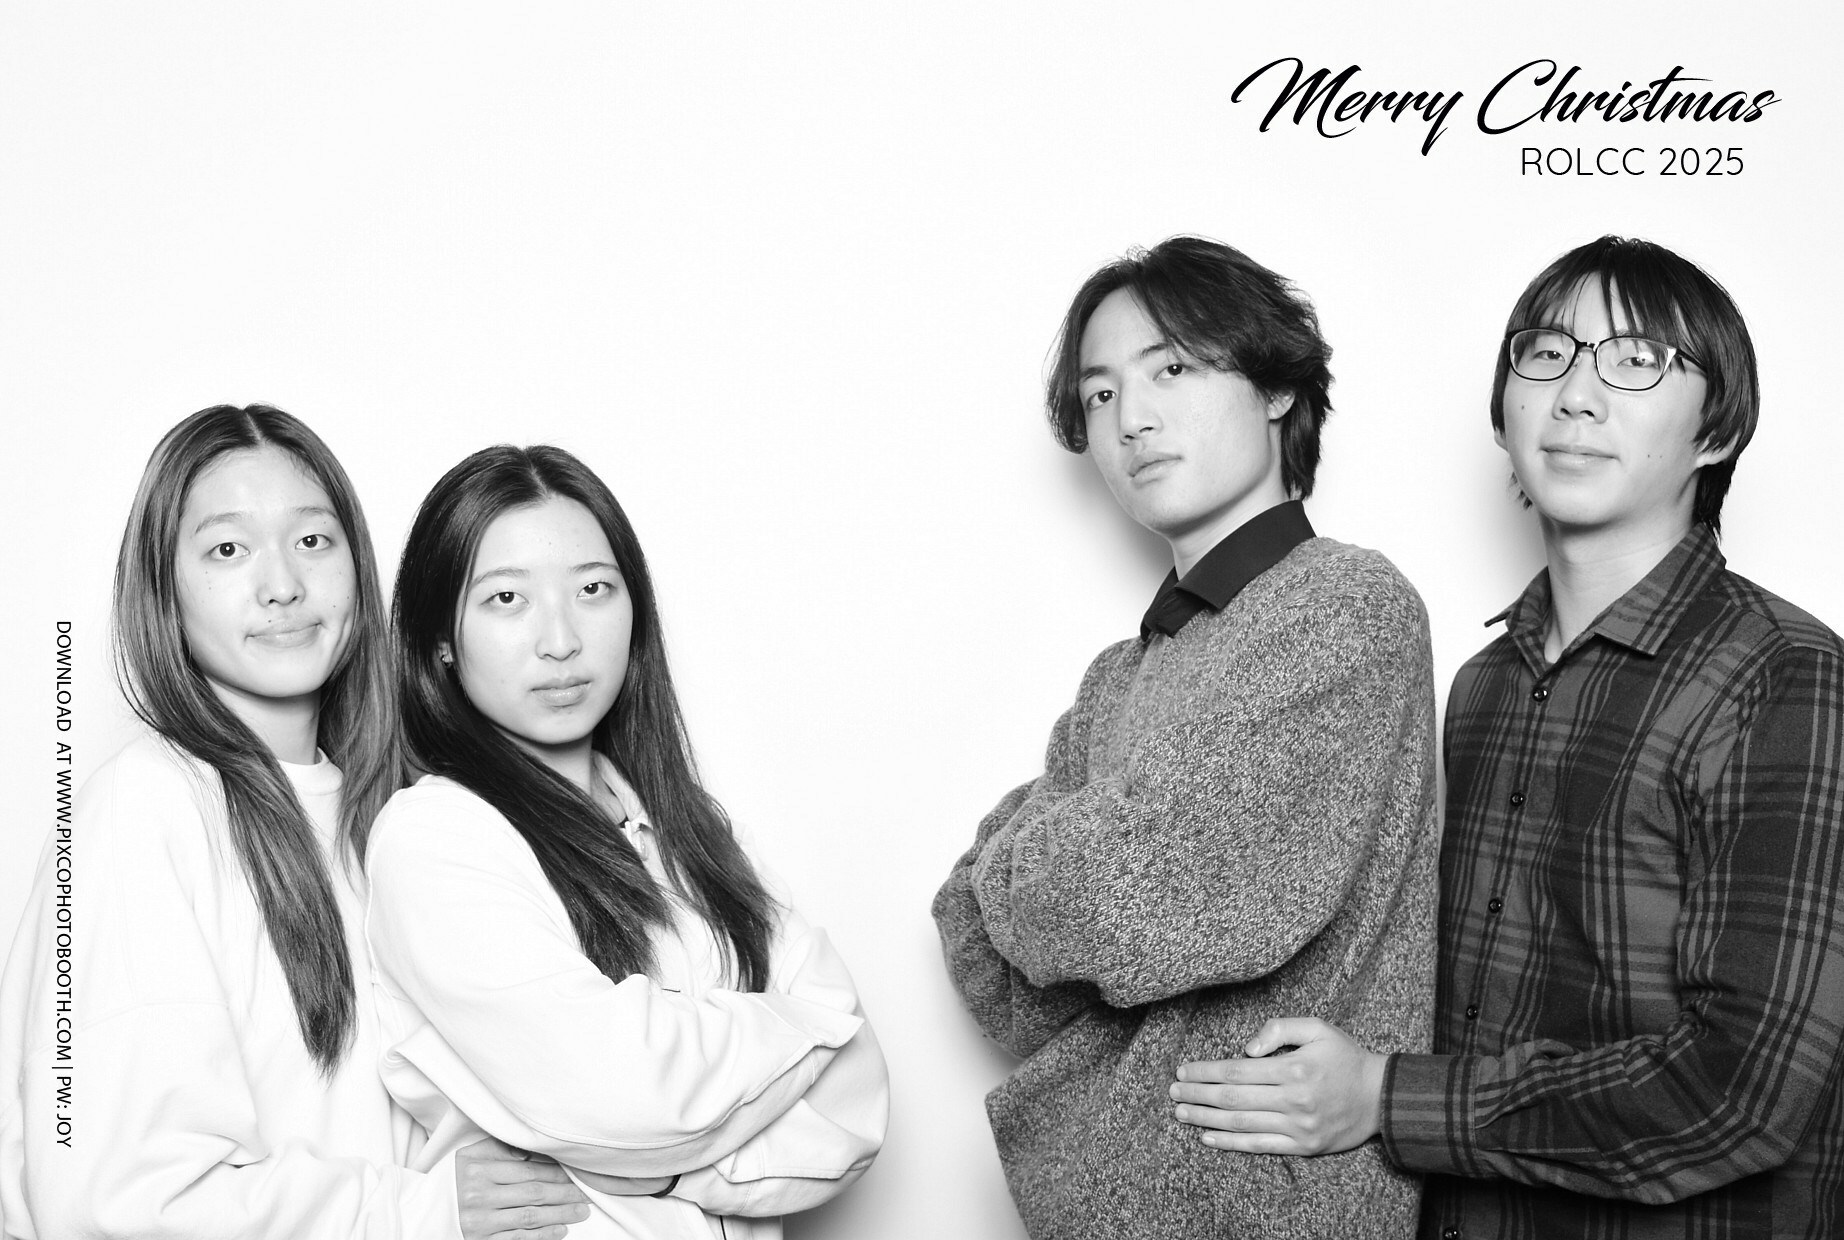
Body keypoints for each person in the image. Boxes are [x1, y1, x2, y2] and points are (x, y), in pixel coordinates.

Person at [1171, 236, 1844, 1238]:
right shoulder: (1482, 685)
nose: (1576, 395)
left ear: (1717, 428)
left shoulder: (1784, 674)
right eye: (1545, 353)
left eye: (1636, 359)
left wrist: (1387, 1098)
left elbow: (1740, 1088)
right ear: (1503, 412)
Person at [931, 236, 1441, 1238]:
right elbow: (981, 959)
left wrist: (1026, 869)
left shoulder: (1343, 605)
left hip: (1268, 1213)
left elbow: (1155, 889)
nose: (1132, 418)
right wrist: (1061, 887)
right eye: (1100, 394)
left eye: (1171, 369)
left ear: (1275, 387)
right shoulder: (1121, 674)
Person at [0, 404, 589, 1239]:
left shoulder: (393, 820)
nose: (282, 585)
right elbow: (120, 1204)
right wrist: (422, 1211)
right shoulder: (143, 809)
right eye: (228, 549)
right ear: (163, 590)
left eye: (313, 540)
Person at [366, 443, 888, 1240]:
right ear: (441, 639)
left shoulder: (694, 831)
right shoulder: (435, 837)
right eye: (507, 598)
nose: (561, 639)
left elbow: (858, 1108)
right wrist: (805, 1025)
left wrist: (668, 1169)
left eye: (593, 590)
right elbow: (619, 1091)